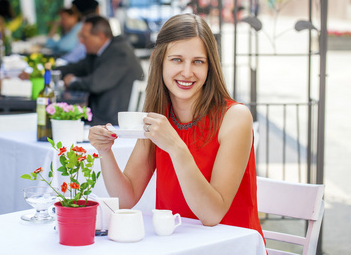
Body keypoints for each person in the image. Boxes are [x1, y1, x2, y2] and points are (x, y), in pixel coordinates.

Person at [88, 13, 265, 239]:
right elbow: (125, 199)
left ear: (210, 66)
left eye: (198, 61)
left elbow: (212, 215)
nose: (187, 72)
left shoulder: (235, 117)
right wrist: (105, 152)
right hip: (175, 244)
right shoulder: (159, 118)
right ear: (158, 60)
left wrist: (176, 147)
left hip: (229, 245)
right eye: (177, 60)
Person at [55, 14, 143, 125]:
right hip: (100, 114)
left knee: (60, 122)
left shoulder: (119, 52)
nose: (81, 42)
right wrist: (48, 72)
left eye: (84, 37)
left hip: (112, 119)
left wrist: (72, 82)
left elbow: (95, 84)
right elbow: (76, 67)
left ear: (100, 37)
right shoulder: (100, 51)